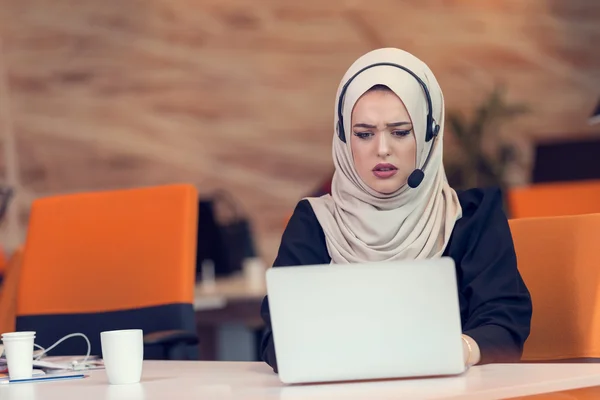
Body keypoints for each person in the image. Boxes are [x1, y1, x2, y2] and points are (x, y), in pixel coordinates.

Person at [260, 47, 532, 372]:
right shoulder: (315, 222)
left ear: (430, 135)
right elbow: (277, 340)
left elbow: (505, 326)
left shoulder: (472, 218)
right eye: (364, 134)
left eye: (401, 132)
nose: (383, 149)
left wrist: (459, 350)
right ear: (344, 140)